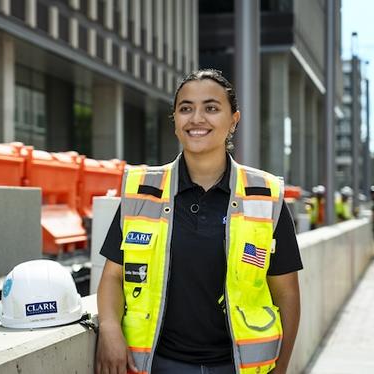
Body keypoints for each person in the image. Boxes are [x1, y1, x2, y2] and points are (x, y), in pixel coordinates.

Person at [96, 69, 302, 374]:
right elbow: (113, 276)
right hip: (158, 365)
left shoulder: (265, 196)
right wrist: (110, 328)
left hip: (238, 368)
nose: (196, 118)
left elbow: (287, 293)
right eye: (186, 108)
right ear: (175, 121)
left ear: (234, 120)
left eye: (211, 108)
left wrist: (282, 366)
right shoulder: (142, 190)